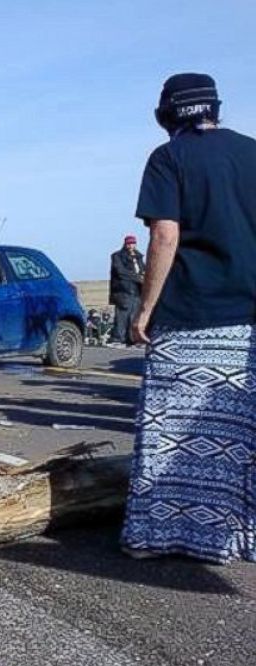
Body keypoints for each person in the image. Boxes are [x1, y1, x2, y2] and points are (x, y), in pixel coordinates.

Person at [122, 72, 256, 563]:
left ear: (169, 113)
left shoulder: (168, 157)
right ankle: (236, 538)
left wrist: (145, 308)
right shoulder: (253, 152)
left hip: (190, 315)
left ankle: (160, 536)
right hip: (248, 320)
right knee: (239, 436)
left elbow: (164, 236)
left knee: (172, 431)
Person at [107, 235, 145, 346]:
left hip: (137, 291)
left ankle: (132, 339)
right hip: (123, 290)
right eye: (129, 243)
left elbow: (143, 269)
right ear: (125, 244)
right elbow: (121, 272)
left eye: (133, 243)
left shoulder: (139, 257)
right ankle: (118, 338)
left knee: (134, 315)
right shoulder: (117, 256)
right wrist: (138, 278)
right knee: (122, 315)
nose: (131, 245)